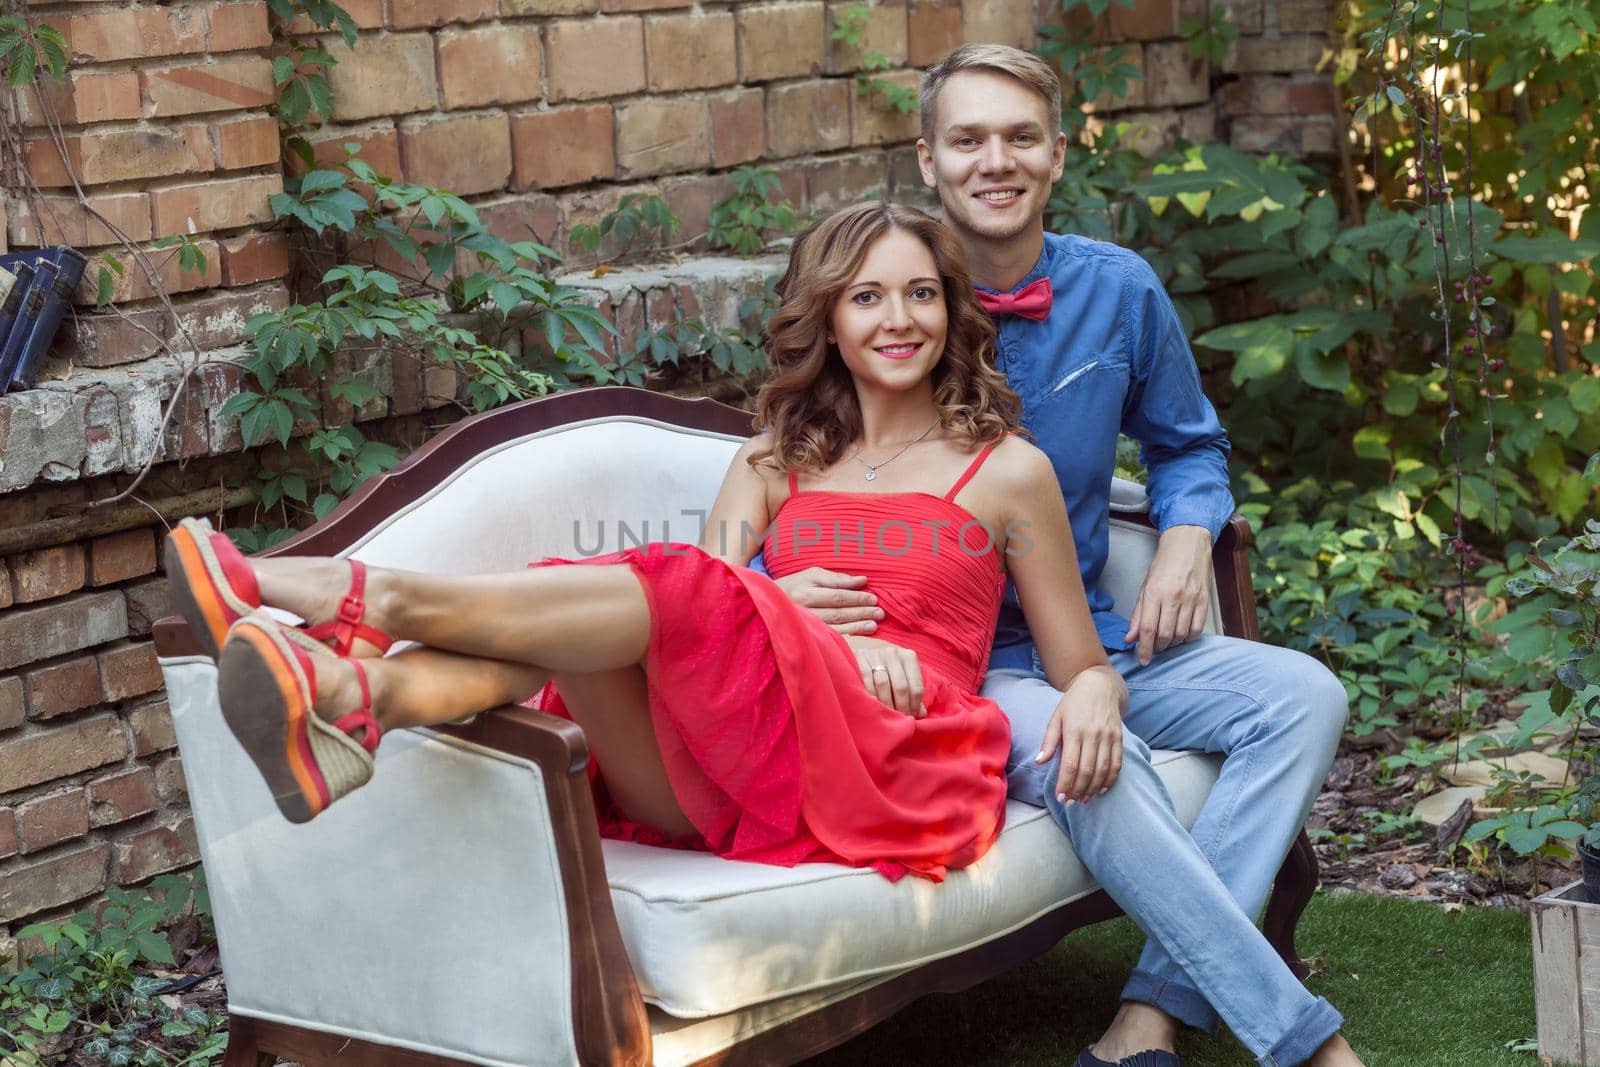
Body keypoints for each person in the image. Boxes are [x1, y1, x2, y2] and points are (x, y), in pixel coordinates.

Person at [163, 201, 1127, 887]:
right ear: (829, 319)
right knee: (608, 603)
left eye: (922, 293)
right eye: (868, 297)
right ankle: (353, 700)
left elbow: (1081, 663)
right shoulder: (773, 458)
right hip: (717, 770)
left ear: (954, 312)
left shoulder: (1007, 472)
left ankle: (353, 598)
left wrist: (1093, 695)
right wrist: (798, 616)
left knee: (654, 586)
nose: (900, 318)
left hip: (899, 759)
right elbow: (706, 601)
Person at [766, 45, 1360, 1067]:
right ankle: (1298, 1039)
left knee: (1301, 694)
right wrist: (785, 591)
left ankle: (1153, 1006)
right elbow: (798, 476)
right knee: (1089, 755)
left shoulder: (1118, 292)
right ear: (927, 159)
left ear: (1056, 154)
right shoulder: (890, 302)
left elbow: (1189, 443)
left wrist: (1182, 536)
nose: (993, 161)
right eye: (967, 140)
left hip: (1092, 629)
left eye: (1018, 137)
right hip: (958, 660)